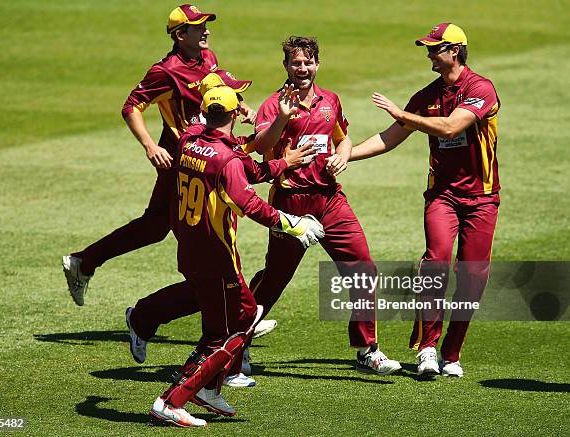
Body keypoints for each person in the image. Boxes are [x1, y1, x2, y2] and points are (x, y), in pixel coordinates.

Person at [147, 85, 324, 427]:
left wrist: (282, 161)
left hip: (190, 248)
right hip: (216, 256)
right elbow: (249, 202)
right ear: (232, 113)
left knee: (231, 321)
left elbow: (247, 170)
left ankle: (207, 388)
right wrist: (293, 224)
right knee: (239, 325)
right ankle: (174, 399)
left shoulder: (188, 140)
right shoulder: (225, 158)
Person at [62, 4, 256, 306]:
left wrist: (237, 105)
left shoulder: (208, 56)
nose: (206, 30)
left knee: (156, 227)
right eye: (198, 26)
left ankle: (84, 263)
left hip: (200, 152)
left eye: (205, 24)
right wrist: (150, 146)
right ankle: (237, 307)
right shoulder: (165, 72)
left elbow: (214, 89)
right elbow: (131, 107)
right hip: (181, 157)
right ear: (180, 35)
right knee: (209, 232)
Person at [349, 23, 501, 377]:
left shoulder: (481, 88)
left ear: (455, 51)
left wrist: (403, 115)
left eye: (435, 49)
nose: (429, 55)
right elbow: (389, 139)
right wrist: (346, 157)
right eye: (428, 49)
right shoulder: (426, 96)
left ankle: (452, 352)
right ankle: (428, 348)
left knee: (473, 277)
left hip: (482, 198)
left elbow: (450, 127)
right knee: (435, 262)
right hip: (442, 196)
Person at [247, 36, 402, 375]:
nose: (302, 68)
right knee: (275, 278)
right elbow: (261, 147)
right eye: (295, 63)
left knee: (363, 270)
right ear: (286, 66)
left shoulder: (330, 100)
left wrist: (343, 156)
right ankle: (237, 341)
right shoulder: (274, 104)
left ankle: (367, 350)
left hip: (331, 199)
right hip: (291, 202)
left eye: (308, 62)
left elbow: (342, 136)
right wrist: (282, 119)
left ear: (317, 64)